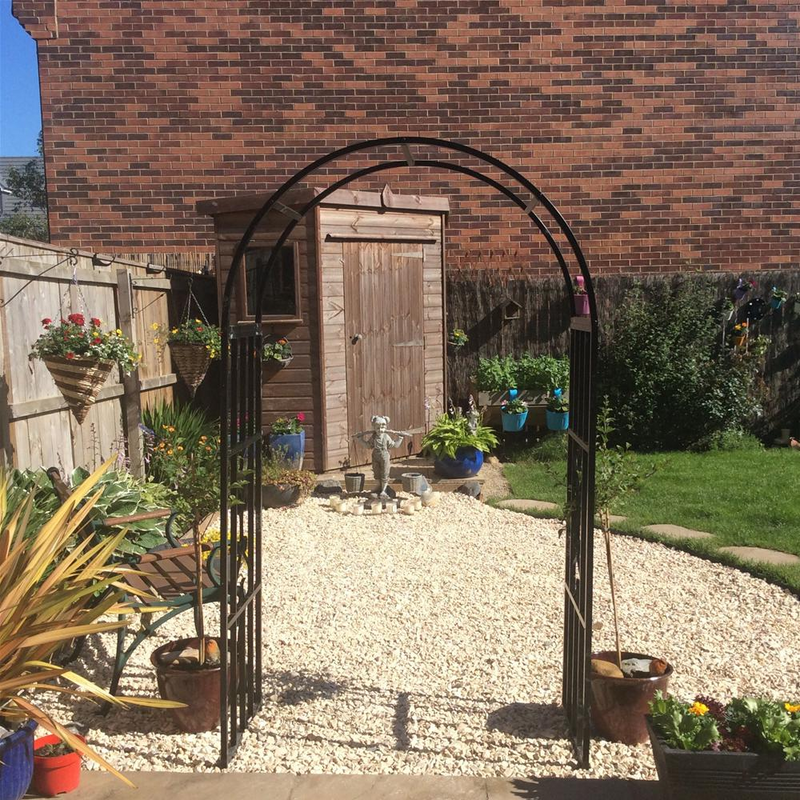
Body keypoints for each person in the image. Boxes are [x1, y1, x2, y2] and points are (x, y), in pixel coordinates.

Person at [353, 416, 410, 498]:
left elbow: (394, 445)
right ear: (374, 428)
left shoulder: (386, 437)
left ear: (385, 427)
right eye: (377, 428)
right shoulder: (374, 437)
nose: (380, 430)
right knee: (376, 471)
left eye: (382, 428)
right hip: (375, 455)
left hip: (384, 456)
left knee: (385, 472)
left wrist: (400, 438)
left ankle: (384, 490)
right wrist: (360, 439)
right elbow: (368, 446)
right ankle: (378, 486)